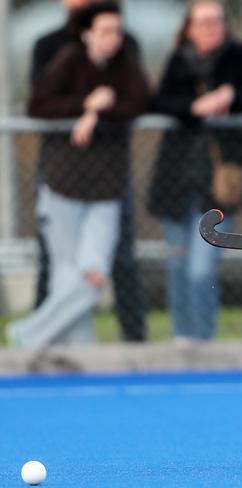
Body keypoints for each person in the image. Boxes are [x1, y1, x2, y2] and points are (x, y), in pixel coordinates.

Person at [7, 2, 149, 348]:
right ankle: (79, 354)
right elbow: (38, 105)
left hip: (106, 190)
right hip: (63, 186)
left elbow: (140, 103)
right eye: (104, 31)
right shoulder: (69, 59)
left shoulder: (124, 66)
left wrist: (102, 108)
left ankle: (27, 336)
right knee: (65, 275)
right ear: (87, 33)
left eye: (116, 31)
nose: (112, 39)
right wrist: (85, 105)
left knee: (93, 274)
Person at [147, 0, 242, 341]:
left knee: (202, 268)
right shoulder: (179, 61)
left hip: (219, 182)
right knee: (178, 264)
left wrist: (231, 96)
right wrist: (194, 108)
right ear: (189, 27)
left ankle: (203, 338)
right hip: (176, 179)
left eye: (215, 21)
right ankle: (181, 337)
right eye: (202, 22)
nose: (209, 28)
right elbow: (159, 103)